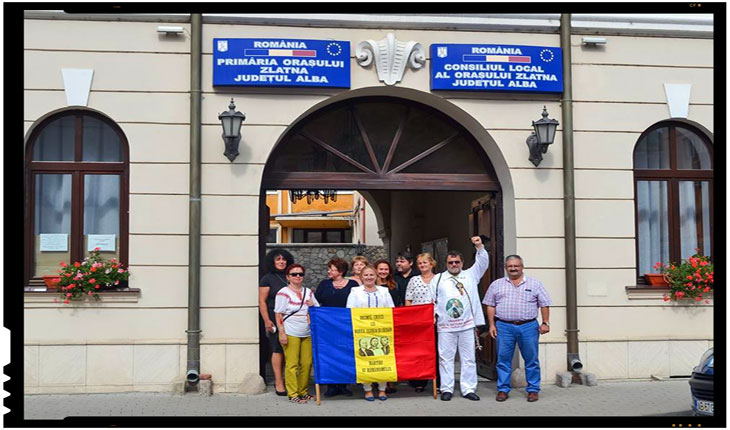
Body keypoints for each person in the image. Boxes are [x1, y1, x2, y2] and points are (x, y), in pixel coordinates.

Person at [483, 255, 552, 403]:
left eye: (516, 266)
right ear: (506, 268)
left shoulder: (535, 284)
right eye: (510, 266)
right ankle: (503, 389)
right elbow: (490, 305)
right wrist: (492, 325)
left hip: (528, 326)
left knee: (531, 360)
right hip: (504, 326)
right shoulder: (497, 284)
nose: (513, 268)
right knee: (503, 359)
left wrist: (545, 322)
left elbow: (544, 304)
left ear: (522, 266)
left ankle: (533, 390)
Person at [429, 236, 488, 401]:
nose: (454, 265)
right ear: (446, 264)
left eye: (457, 262)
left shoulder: (470, 275)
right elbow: (431, 300)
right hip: (445, 326)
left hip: (467, 325)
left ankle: (468, 389)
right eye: (450, 262)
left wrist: (479, 247)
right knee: (445, 358)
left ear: (462, 263)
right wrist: (432, 317)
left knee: (468, 358)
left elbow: (482, 263)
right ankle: (447, 388)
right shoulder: (438, 279)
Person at [346, 265, 395, 401]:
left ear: (376, 276)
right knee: (366, 360)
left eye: (371, 275)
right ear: (361, 277)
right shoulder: (355, 291)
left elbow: (391, 309)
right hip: (363, 331)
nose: (369, 277)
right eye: (366, 275)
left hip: (382, 331)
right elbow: (349, 310)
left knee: (382, 359)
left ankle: (382, 389)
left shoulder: (384, 291)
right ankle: (367, 390)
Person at [274, 264, 320, 404]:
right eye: (294, 274)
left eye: (300, 274)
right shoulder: (283, 292)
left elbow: (317, 310)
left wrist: (312, 304)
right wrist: (282, 332)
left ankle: (303, 391)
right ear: (288, 277)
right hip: (290, 331)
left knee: (306, 363)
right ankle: (293, 393)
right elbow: (278, 314)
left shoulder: (308, 292)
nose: (298, 276)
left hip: (307, 331)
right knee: (292, 364)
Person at [314, 258, 359, 398]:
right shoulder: (324, 284)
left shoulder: (353, 284)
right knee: (329, 354)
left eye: (331, 269)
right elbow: (316, 302)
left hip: (346, 325)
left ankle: (344, 385)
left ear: (340, 271)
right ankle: (331, 386)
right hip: (328, 326)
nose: (328, 271)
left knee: (346, 354)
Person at [258, 248, 294, 396]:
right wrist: (267, 320)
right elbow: (262, 301)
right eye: (278, 259)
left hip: (293, 318)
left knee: (291, 350)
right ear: (272, 262)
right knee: (277, 349)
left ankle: (291, 381)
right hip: (275, 317)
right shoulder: (268, 278)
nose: (281, 262)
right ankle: (279, 382)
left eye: (283, 259)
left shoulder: (291, 276)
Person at [405, 253, 438, 392]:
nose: (422, 265)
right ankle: (419, 381)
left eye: (425, 262)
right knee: (419, 351)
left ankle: (439, 381)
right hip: (418, 321)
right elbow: (408, 299)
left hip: (436, 320)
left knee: (436, 351)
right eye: (420, 263)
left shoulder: (440, 279)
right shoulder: (414, 280)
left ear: (431, 263)